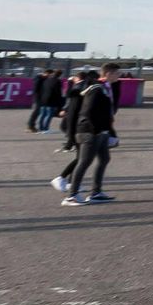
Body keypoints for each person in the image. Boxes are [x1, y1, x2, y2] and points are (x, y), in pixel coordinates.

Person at [57, 66, 121, 205]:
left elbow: (106, 113)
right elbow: (88, 111)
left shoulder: (105, 88)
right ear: (109, 73)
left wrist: (111, 133)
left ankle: (96, 192)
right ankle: (72, 196)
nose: (119, 75)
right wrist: (96, 130)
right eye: (117, 73)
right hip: (90, 131)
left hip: (101, 131)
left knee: (104, 158)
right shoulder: (96, 88)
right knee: (84, 161)